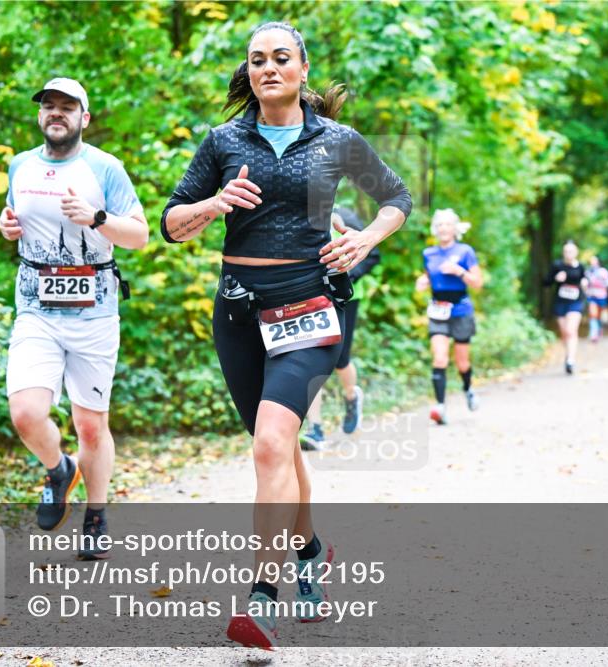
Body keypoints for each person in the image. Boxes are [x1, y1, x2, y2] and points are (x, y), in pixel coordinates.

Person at [160, 22, 411, 650]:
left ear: (302, 69)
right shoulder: (223, 141)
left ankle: (261, 599)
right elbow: (171, 222)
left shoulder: (336, 140)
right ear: (248, 74)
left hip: (309, 306)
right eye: (257, 60)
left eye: (280, 58)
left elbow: (396, 197)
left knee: (272, 443)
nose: (268, 68)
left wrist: (365, 239)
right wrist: (214, 204)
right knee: (279, 447)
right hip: (238, 312)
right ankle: (311, 549)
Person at [0, 78, 148, 560]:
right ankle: (60, 469)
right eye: (49, 106)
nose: (56, 113)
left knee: (90, 425)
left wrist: (96, 218)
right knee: (25, 413)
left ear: (84, 117)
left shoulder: (105, 168)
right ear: (40, 115)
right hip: (36, 309)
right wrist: (7, 226)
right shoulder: (20, 165)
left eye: (67, 106)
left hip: (94, 312)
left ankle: (96, 515)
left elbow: (140, 236)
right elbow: (16, 219)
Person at [300, 206, 378, 450]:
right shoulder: (297, 216)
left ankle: (351, 397)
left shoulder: (346, 216)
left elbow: (372, 255)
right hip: (311, 296)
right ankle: (315, 429)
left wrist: (349, 274)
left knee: (340, 360)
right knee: (311, 359)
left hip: (346, 296)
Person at [416, 209, 484, 425]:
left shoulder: (465, 251)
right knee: (439, 358)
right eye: (439, 225)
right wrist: (423, 281)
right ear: (435, 230)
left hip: (461, 310)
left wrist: (459, 271)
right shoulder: (429, 253)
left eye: (447, 224)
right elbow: (429, 276)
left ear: (455, 229)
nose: (443, 228)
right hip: (438, 311)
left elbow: (478, 283)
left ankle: (468, 389)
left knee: (462, 362)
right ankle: (440, 406)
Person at [544, 241, 588, 374]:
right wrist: (555, 278)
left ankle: (570, 360)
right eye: (566, 251)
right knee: (564, 333)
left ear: (576, 253)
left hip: (576, 302)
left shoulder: (580, 267)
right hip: (560, 302)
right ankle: (568, 353)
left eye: (571, 251)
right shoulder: (557, 266)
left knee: (571, 330)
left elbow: (584, 279)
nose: (568, 254)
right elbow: (546, 283)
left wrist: (585, 283)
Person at [584, 255, 608, 343]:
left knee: (599, 315)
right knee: (593, 314)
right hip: (591, 296)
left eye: (594, 260)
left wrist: (602, 284)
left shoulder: (603, 271)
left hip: (601, 296)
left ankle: (599, 330)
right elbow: (584, 283)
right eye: (591, 260)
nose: (592, 262)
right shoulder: (587, 272)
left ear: (598, 261)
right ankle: (593, 333)